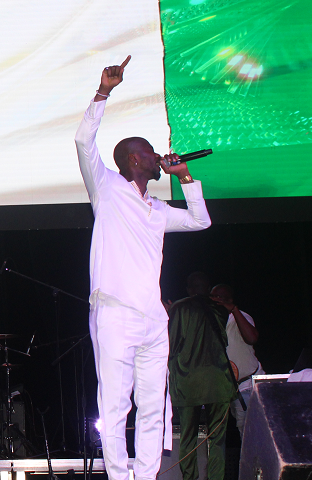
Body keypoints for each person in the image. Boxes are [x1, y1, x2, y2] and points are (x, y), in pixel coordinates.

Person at [74, 56, 212, 480]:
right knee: (116, 406)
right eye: (152, 154)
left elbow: (199, 220)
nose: (158, 159)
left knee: (155, 407)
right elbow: (83, 143)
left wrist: (185, 178)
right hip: (115, 311)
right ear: (134, 160)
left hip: (153, 319)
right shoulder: (108, 188)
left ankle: (148, 475)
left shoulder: (156, 209)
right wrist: (103, 93)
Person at [168, 272, 237, 480]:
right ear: (209, 289)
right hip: (218, 382)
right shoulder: (220, 309)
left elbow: (171, 347)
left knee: (187, 438)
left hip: (189, 382)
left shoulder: (179, 308)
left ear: (189, 289)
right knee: (216, 440)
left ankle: (190, 478)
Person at [209, 283, 261, 436]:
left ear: (229, 300)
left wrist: (234, 309)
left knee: (255, 436)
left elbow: (252, 338)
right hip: (233, 391)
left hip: (250, 386)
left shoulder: (240, 317)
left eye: (219, 297)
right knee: (245, 435)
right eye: (212, 297)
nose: (215, 300)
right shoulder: (212, 321)